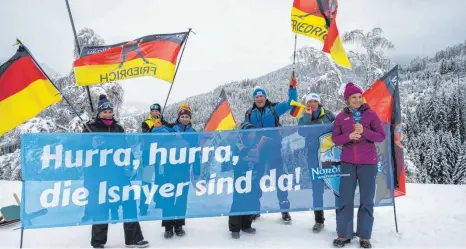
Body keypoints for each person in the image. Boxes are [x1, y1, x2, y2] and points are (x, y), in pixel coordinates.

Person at [83, 94, 149, 249]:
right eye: (104, 112)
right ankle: (98, 242)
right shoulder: (90, 128)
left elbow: (125, 148)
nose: (108, 114)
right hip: (100, 176)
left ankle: (133, 239)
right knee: (102, 207)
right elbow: (82, 149)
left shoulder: (118, 128)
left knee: (129, 202)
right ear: (99, 113)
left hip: (118, 173)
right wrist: (91, 144)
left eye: (110, 111)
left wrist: (132, 162)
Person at [331, 83, 386, 248]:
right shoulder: (341, 117)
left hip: (368, 164)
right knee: (345, 199)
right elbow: (335, 139)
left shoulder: (370, 114)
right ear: (347, 100)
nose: (357, 100)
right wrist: (348, 136)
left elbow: (381, 136)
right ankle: (344, 234)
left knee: (367, 200)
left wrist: (364, 131)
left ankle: (364, 236)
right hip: (348, 164)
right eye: (353, 97)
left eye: (359, 97)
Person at [243, 78, 298, 223]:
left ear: (266, 97)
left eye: (261, 96)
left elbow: (291, 102)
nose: (259, 98)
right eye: (257, 97)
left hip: (274, 150)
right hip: (258, 152)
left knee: (279, 179)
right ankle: (255, 210)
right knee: (256, 180)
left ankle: (285, 211)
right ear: (254, 99)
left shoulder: (274, 109)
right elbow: (244, 129)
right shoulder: (249, 113)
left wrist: (292, 88)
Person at [154, 103, 195, 238]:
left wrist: (196, 170)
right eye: (182, 116)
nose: (184, 118)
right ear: (179, 117)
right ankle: (167, 226)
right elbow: (155, 132)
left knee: (182, 198)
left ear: (190, 118)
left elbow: (196, 153)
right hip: (169, 168)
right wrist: (159, 126)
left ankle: (179, 224)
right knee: (168, 196)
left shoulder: (193, 132)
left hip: (184, 169)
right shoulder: (171, 127)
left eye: (186, 116)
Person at [297, 93, 336, 233]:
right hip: (313, 155)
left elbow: (339, 127)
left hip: (328, 155)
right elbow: (302, 132)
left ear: (319, 102)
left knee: (334, 184)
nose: (312, 104)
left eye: (315, 101)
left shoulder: (329, 115)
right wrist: (307, 116)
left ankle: (341, 218)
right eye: (310, 101)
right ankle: (319, 220)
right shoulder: (303, 118)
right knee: (317, 187)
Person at [228, 122, 265, 239]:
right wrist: (240, 156)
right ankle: (235, 227)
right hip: (241, 179)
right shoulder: (237, 146)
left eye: (253, 133)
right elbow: (231, 162)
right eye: (249, 133)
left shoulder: (257, 145)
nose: (251, 135)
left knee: (252, 199)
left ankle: (246, 225)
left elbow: (261, 161)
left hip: (254, 177)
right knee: (239, 201)